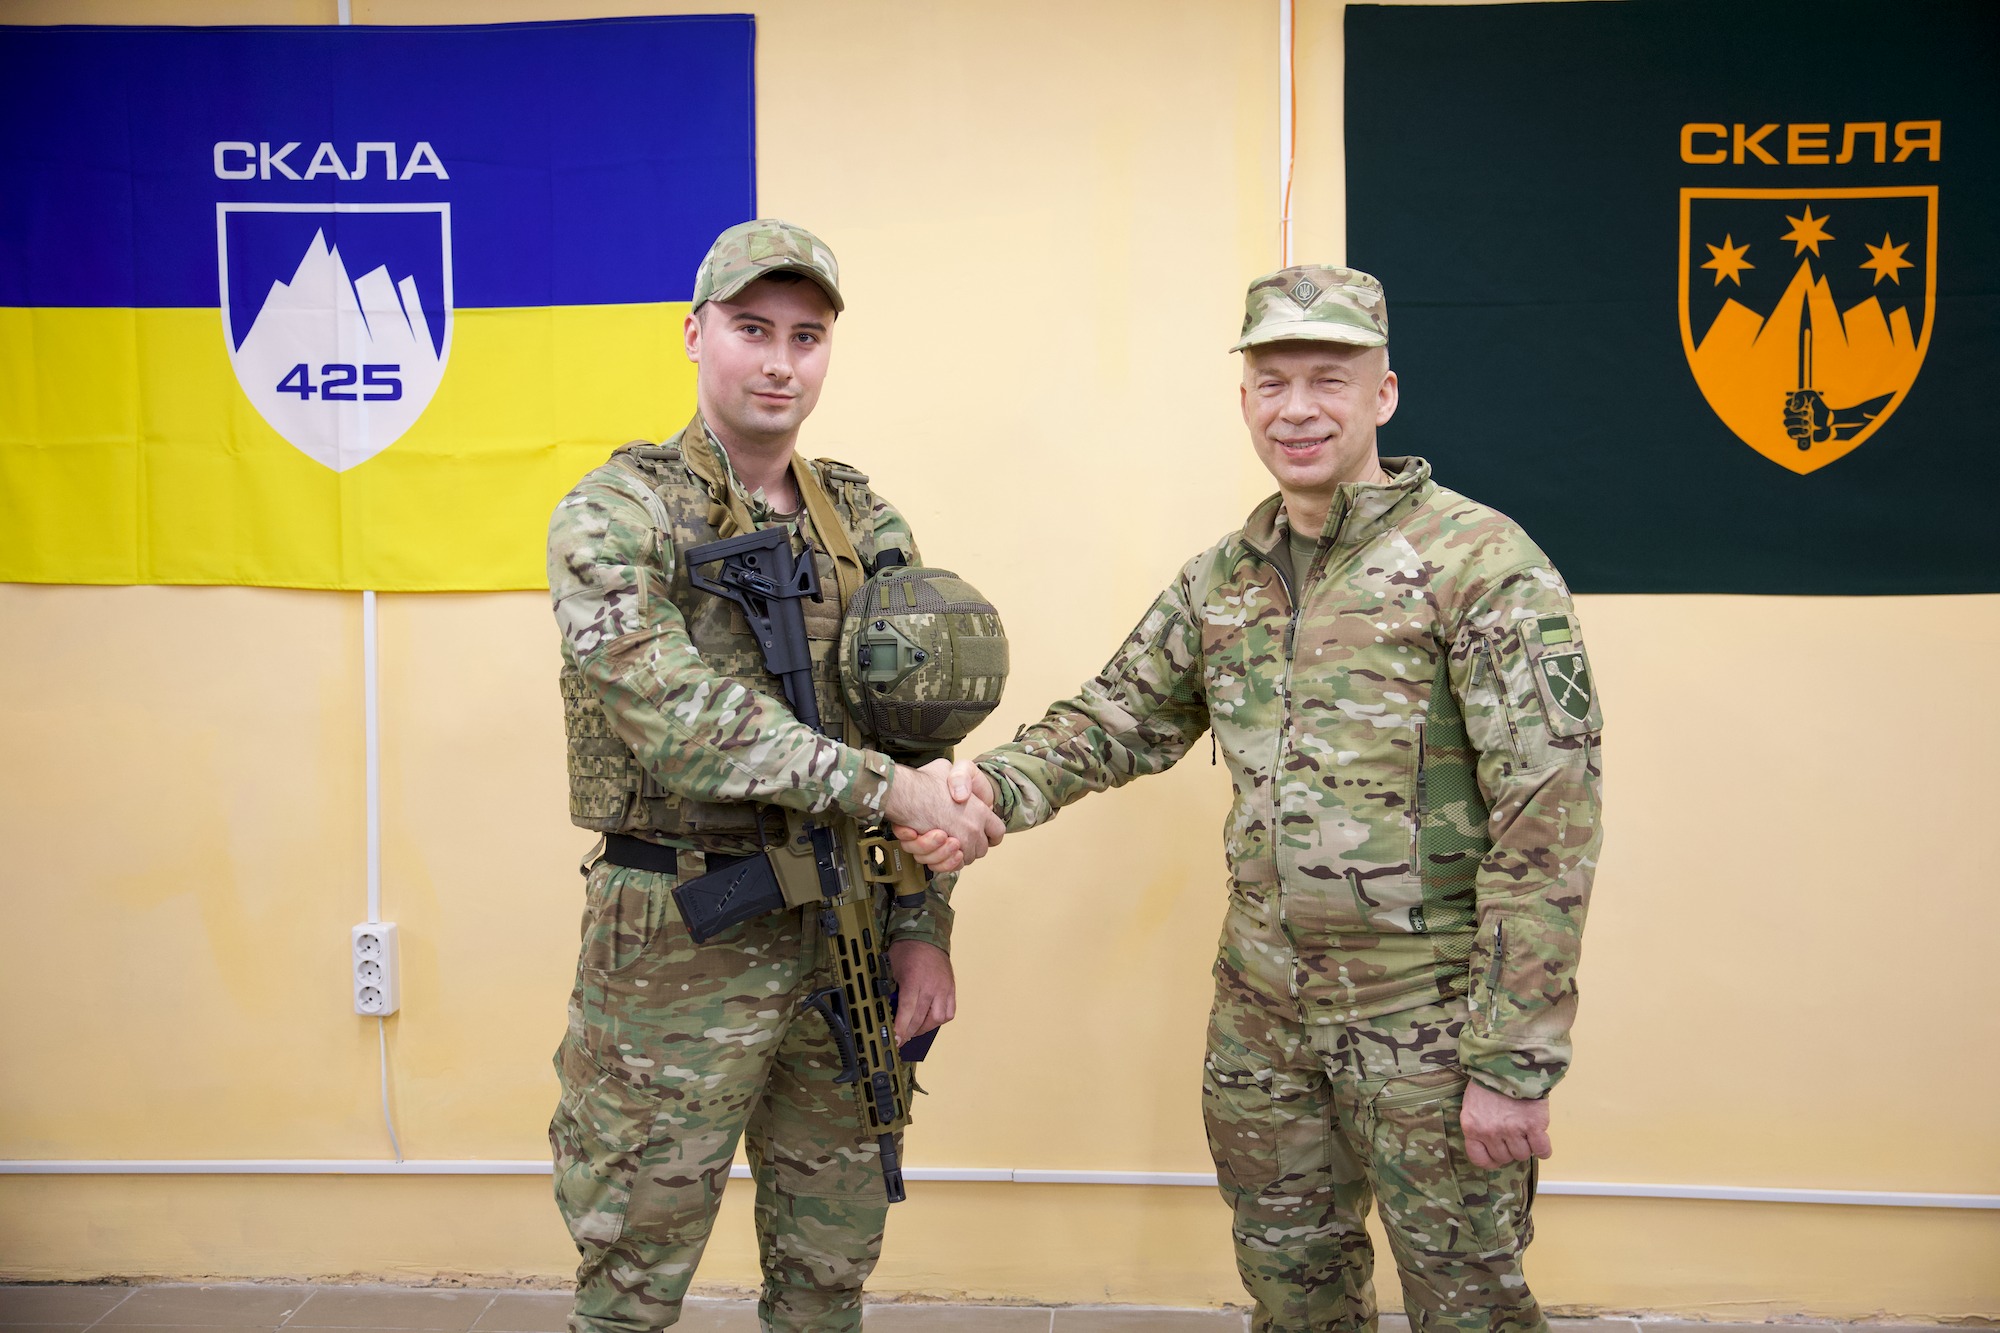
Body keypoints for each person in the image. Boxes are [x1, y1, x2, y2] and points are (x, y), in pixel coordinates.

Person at [899, 266, 1604, 1331]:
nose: (1298, 408)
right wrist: (989, 789)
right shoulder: (1220, 580)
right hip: (1263, 1022)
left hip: (1427, 1024)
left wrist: (1511, 1058)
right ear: (1243, 400)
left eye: (1329, 377)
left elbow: (1546, 823)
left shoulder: (1480, 565)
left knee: (1471, 1308)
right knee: (1291, 1296)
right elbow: (1114, 720)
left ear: (1384, 393)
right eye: (1271, 381)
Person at [545, 218, 1005, 1333]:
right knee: (631, 1267)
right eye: (751, 329)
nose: (777, 360)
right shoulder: (617, 514)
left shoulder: (866, 522)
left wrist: (923, 923)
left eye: (806, 335)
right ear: (694, 334)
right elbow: (673, 718)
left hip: (843, 931)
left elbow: (913, 735)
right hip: (677, 935)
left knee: (828, 1261)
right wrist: (884, 792)